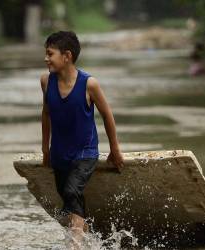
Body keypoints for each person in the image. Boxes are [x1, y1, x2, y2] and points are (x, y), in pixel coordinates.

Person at [40, 31, 124, 247]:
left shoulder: (89, 84)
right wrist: (45, 149)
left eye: (50, 54)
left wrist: (115, 150)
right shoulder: (46, 82)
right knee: (68, 201)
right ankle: (90, 239)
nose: (46, 59)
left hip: (86, 152)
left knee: (72, 190)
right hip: (59, 153)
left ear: (66, 56)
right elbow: (46, 113)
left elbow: (107, 115)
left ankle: (75, 245)